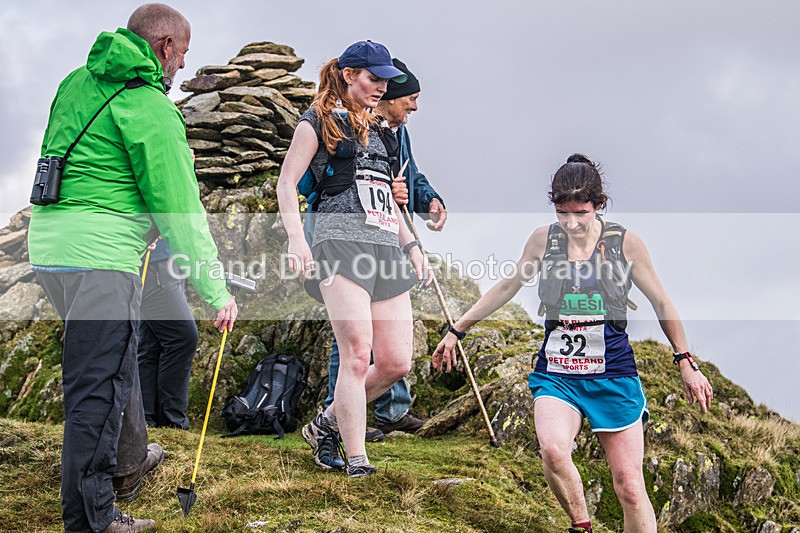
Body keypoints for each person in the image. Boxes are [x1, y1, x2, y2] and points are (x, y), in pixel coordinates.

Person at [27, 4, 237, 531]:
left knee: (116, 362)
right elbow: (180, 210)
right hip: (104, 259)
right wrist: (215, 290)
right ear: (164, 46)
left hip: (50, 249)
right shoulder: (150, 107)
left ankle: (129, 460)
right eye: (183, 54)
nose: (184, 67)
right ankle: (93, 518)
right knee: (94, 392)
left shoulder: (76, 81)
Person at [433, 154, 713, 533]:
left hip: (612, 374)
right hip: (558, 374)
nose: (572, 223)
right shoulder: (542, 240)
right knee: (552, 449)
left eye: (581, 212)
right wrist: (458, 329)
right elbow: (507, 286)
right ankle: (582, 525)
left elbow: (661, 301)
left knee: (629, 488)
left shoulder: (626, 244)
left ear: (599, 205)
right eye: (563, 213)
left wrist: (684, 359)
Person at [277, 40, 431, 478]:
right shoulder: (316, 122)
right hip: (337, 245)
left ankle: (326, 424)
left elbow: (385, 194)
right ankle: (358, 458)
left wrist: (411, 245)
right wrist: (296, 239)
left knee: (397, 360)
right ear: (349, 75)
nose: (382, 87)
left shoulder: (383, 129)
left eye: (385, 80)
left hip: (385, 248)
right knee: (357, 355)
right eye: (373, 78)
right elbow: (287, 184)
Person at [318, 58, 447, 439]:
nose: (415, 106)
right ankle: (340, 420)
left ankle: (386, 411)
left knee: (390, 345)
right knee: (355, 341)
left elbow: (410, 175)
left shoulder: (397, 131)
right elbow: (340, 178)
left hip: (388, 236)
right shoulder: (350, 124)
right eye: (411, 98)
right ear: (388, 96)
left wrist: (428, 201)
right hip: (348, 237)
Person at [138, 238, 199, 429]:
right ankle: (171, 422)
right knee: (182, 337)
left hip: (167, 259)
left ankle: (145, 419)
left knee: (151, 341)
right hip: (156, 262)